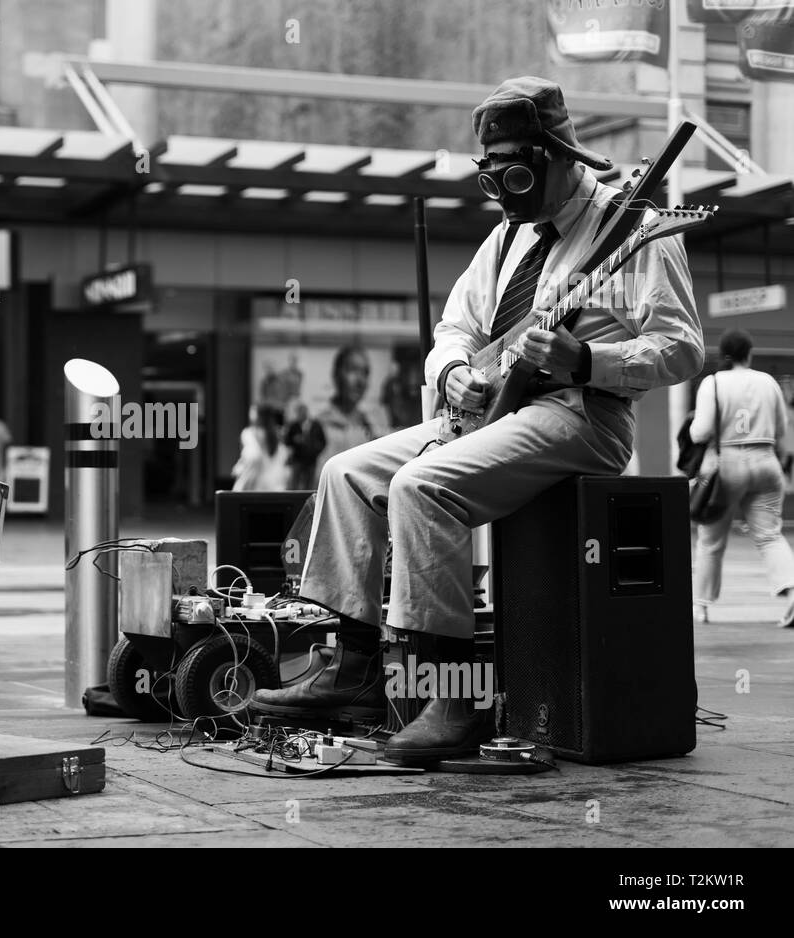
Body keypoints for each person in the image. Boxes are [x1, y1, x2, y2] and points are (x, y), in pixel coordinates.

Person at [250, 77, 704, 764]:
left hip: (580, 414)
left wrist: (588, 358)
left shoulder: (632, 228)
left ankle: (451, 701)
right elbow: (453, 329)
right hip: (488, 411)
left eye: (514, 166)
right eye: (491, 172)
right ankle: (356, 669)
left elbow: (682, 346)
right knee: (343, 473)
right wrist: (453, 369)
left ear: (556, 153)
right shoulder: (505, 240)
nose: (503, 188)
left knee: (421, 488)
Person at [690, 329, 794, 627]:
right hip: (766, 460)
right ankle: (791, 592)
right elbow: (780, 428)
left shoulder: (713, 383)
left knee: (711, 541)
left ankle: (702, 607)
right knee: (770, 535)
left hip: (727, 465)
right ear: (749, 354)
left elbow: (701, 431)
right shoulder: (768, 382)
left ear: (724, 355)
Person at [313, 343, 383, 485]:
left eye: (365, 373)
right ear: (336, 375)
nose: (360, 380)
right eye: (352, 370)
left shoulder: (371, 427)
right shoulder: (318, 423)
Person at [232, 405, 291, 491]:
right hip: (273, 487)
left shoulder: (249, 435)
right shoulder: (276, 435)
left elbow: (252, 457)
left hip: (257, 487)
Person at [284, 401, 326, 489]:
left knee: (309, 484)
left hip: (311, 460)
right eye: (299, 412)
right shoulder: (294, 425)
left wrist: (316, 451)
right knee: (295, 484)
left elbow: (323, 441)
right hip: (297, 460)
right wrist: (295, 440)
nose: (301, 414)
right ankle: (294, 501)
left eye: (303, 412)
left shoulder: (316, 425)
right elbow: (287, 441)